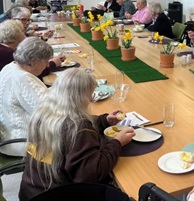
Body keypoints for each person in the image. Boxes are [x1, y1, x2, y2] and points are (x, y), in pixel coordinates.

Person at [19, 68, 136, 201]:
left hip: (31, 191)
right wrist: (117, 142)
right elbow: (91, 174)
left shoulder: (42, 113)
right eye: (89, 95)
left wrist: (105, 120)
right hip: (58, 195)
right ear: (80, 96)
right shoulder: (79, 129)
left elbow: (68, 123)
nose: (90, 99)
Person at [0, 37, 53, 157]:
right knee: (80, 136)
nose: (47, 65)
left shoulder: (10, 67)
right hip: (24, 143)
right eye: (46, 62)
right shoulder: (23, 78)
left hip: (8, 138)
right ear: (33, 61)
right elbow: (50, 112)